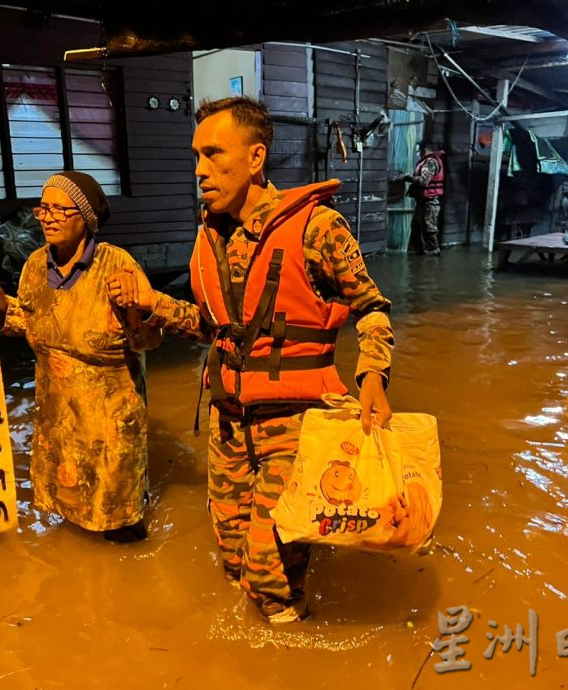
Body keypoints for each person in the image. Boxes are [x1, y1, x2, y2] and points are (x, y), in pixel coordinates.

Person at [106, 97, 394, 622]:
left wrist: (372, 374)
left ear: (256, 157)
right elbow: (211, 328)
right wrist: (154, 305)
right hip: (228, 423)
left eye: (214, 154)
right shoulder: (210, 234)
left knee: (270, 565)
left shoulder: (318, 228)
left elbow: (371, 308)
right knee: (233, 554)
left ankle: (293, 649)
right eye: (196, 156)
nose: (200, 170)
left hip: (296, 421)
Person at [0, 171, 162, 543]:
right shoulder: (34, 265)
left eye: (59, 210)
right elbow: (33, 324)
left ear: (85, 218)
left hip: (109, 425)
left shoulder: (117, 266)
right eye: (42, 208)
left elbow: (148, 340)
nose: (47, 217)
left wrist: (135, 310)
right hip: (58, 419)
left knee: (118, 521)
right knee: (69, 515)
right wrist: (2, 306)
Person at [405, 140, 445, 256]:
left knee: (429, 233)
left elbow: (423, 181)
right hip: (423, 203)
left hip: (430, 203)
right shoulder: (428, 161)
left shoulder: (431, 162)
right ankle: (421, 264)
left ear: (424, 149)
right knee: (416, 232)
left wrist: (406, 178)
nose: (418, 153)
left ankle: (432, 264)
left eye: (418, 150)